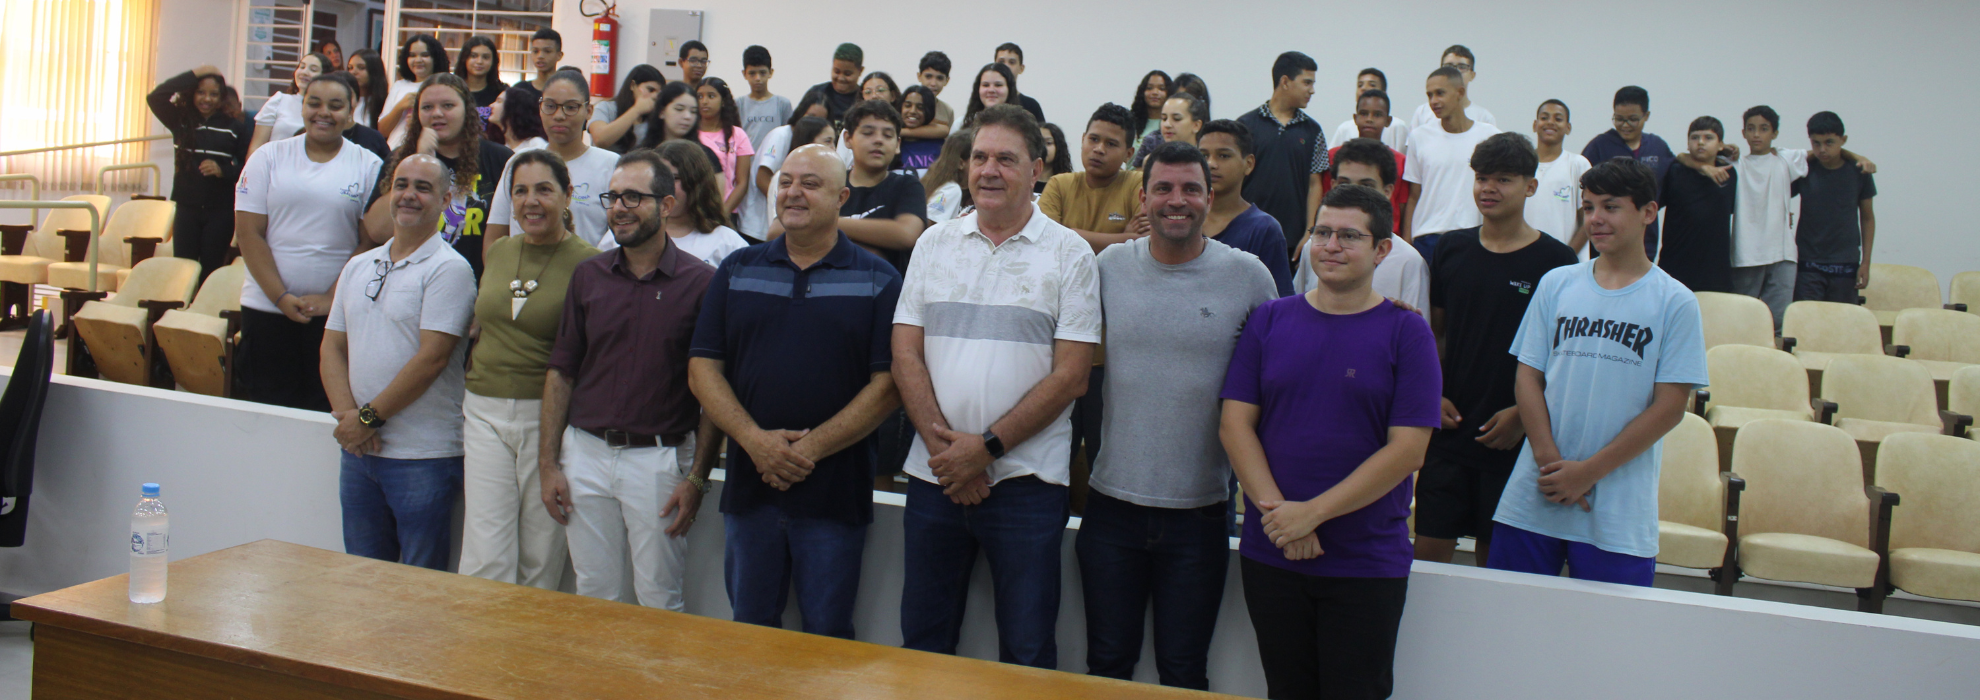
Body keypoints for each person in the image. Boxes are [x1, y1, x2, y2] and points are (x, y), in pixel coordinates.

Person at [892, 104, 1099, 669]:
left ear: (1037, 170)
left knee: (1027, 652)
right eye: (979, 157)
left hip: (1028, 485)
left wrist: (981, 450)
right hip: (934, 476)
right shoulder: (934, 244)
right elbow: (905, 351)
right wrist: (947, 453)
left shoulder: (1070, 253)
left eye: (1005, 159)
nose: (988, 170)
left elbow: (1072, 375)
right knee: (924, 644)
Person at [1220, 183, 1439, 700]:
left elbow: (1409, 450)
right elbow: (1234, 425)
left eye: (1349, 236)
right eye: (1322, 232)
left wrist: (1311, 514)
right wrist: (1282, 518)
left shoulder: (1408, 333)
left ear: (1383, 249)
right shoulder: (1270, 319)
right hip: (1274, 552)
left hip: (1364, 560)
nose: (1331, 245)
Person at [1082, 141, 1277, 690]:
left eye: (1191, 189)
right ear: (1142, 197)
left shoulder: (1249, 276)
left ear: (1209, 198)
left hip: (1202, 513)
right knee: (1107, 668)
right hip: (1110, 508)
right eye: (1163, 188)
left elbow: (1290, 360)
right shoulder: (1108, 268)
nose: (1177, 200)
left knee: (1185, 672)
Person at [687, 143, 902, 638]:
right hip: (749, 490)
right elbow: (702, 369)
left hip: (834, 498)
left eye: (810, 183)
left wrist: (807, 450)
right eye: (786, 181)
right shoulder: (737, 269)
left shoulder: (879, 280)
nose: (793, 192)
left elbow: (888, 386)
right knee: (750, 630)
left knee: (826, 636)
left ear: (842, 197)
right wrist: (756, 442)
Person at [1486, 157, 1708, 586]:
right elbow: (1527, 378)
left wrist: (1587, 473)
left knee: (1611, 642)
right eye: (1588, 208)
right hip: (1538, 492)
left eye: (1610, 207)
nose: (1596, 219)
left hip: (1617, 509)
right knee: (1510, 626)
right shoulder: (1557, 283)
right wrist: (1551, 464)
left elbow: (1670, 408)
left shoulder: (1675, 301)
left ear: (1648, 212)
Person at [541, 149, 722, 610]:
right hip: (585, 455)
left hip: (658, 462)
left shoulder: (702, 284)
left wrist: (698, 478)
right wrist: (549, 465)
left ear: (666, 205)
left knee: (659, 599)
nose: (619, 207)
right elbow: (561, 372)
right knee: (593, 594)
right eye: (613, 196)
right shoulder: (588, 276)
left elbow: (713, 392)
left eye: (633, 198)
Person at [1416, 133, 1579, 568]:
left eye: (1503, 179)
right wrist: (1433, 393)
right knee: (1428, 558)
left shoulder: (1557, 261)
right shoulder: (1451, 248)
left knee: (1497, 566)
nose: (1488, 188)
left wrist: (1524, 418)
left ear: (1530, 186)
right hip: (1449, 429)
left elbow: (1562, 359)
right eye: (1481, 178)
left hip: (1512, 436)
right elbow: (1436, 333)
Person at [321, 153, 476, 571]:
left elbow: (432, 359)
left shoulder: (450, 270)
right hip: (359, 453)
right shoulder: (358, 265)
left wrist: (368, 419)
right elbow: (332, 346)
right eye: (402, 184)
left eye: (423, 188)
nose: (409, 195)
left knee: (419, 589)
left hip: (422, 457)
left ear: (446, 201)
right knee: (363, 580)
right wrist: (349, 418)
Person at [462, 150, 600, 589]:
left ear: (567, 195)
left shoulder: (591, 265)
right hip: (482, 411)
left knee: (541, 555)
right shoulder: (500, 250)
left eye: (544, 189)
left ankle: (524, 656)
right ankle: (478, 651)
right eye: (520, 191)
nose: (530, 201)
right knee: (485, 551)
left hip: (546, 418)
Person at [233, 72, 382, 411]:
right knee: (266, 412)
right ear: (302, 106)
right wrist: (281, 297)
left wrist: (332, 299)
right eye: (314, 103)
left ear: (351, 111)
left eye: (335, 105)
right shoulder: (268, 158)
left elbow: (369, 242)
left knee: (324, 411)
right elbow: (249, 233)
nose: (323, 113)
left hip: (336, 316)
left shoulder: (369, 165)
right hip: (266, 309)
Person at [363, 73, 515, 280]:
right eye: (427, 107)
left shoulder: (500, 159)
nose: (436, 113)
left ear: (467, 111)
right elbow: (377, 231)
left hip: (478, 284)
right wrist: (421, 159)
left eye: (448, 106)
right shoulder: (400, 159)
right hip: (412, 283)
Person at [777, 100, 926, 273]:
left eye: (887, 135)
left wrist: (825, 224)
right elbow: (777, 230)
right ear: (848, 139)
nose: (878, 140)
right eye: (868, 133)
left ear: (898, 144)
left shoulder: (906, 185)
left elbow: (907, 234)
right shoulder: (829, 181)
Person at [487, 71, 623, 251]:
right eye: (550, 106)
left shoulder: (611, 165)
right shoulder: (519, 162)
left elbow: (620, 236)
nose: (559, 115)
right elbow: (494, 240)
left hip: (588, 276)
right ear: (540, 107)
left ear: (588, 111)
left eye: (571, 107)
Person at [1297, 138, 1431, 316]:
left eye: (1366, 186)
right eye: (1345, 184)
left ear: (1387, 191)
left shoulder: (1408, 261)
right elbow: (1298, 307)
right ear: (1333, 185)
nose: (1353, 194)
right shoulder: (1315, 248)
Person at [149, 64, 250, 283]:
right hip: (187, 207)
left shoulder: (235, 126)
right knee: (182, 270)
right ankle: (181, 313)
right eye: (201, 92)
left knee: (210, 270)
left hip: (220, 210)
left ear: (222, 97)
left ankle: (203, 314)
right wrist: (196, 73)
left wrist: (223, 170)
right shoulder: (181, 120)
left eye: (214, 94)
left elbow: (248, 167)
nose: (207, 99)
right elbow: (156, 97)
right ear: (192, 93)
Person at [1403, 66, 1500, 261]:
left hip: (1474, 236)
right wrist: (1407, 243)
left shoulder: (1489, 136)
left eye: (1440, 93)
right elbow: (1413, 196)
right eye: (1429, 95)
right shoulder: (1419, 137)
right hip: (1427, 238)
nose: (1433, 101)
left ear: (1460, 93)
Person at [1237, 52, 1327, 260]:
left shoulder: (1313, 130)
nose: (1312, 90)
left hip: (1293, 241)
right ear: (1285, 81)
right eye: (1307, 83)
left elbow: (1315, 185)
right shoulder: (1244, 126)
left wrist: (1310, 232)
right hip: (1248, 233)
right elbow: (1233, 179)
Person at [1199, 119, 1295, 296]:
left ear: (1248, 164)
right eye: (1203, 155)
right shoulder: (1185, 220)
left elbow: (1278, 302)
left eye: (1223, 155)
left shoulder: (1264, 229)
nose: (1211, 163)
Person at [1579, 86, 1674, 259]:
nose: (1625, 125)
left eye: (1632, 119)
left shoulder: (1657, 147)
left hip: (1646, 239)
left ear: (1646, 116)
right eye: (1619, 119)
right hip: (1606, 238)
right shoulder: (1599, 146)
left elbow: (1673, 183)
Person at [1793, 112, 1878, 301]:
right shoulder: (1803, 168)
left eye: (1829, 142)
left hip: (1845, 262)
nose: (1822, 149)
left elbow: (1867, 217)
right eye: (1816, 143)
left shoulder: (1859, 171)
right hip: (1808, 261)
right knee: (1806, 322)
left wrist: (1866, 262)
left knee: (1841, 324)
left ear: (1843, 140)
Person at [1043, 104, 1147, 253]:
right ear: (1083, 139)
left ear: (1128, 154)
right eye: (1093, 139)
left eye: (1111, 144)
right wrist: (1124, 238)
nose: (1099, 149)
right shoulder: (1059, 185)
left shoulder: (1138, 184)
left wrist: (1067, 233)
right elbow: (1046, 241)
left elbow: (1144, 244)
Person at [1657, 117, 1738, 293]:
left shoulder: (1730, 175)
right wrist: (1702, 167)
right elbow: (1678, 157)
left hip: (1715, 270)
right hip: (1676, 265)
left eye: (1708, 138)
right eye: (1695, 138)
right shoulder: (1674, 171)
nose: (1700, 142)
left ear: (1720, 144)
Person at [744, 88, 829, 241]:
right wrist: (788, 207)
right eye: (810, 117)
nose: (814, 123)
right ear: (800, 113)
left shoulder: (815, 148)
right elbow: (762, 178)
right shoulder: (782, 134)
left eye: (821, 120)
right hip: (759, 224)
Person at [1318, 90, 1408, 232]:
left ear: (1388, 120)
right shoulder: (1334, 157)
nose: (1369, 119)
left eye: (1377, 114)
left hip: (1384, 233)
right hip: (1339, 229)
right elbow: (1323, 199)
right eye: (1364, 113)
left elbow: (1402, 208)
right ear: (1355, 117)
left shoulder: (1400, 162)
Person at [656, 141, 750, 268]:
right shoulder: (634, 235)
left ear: (697, 183)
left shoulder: (728, 243)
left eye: (674, 178)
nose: (664, 187)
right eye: (658, 179)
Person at [1528, 99, 1591, 256]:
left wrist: (1567, 255)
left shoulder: (1578, 165)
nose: (1550, 123)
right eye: (1544, 118)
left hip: (1567, 264)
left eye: (1558, 119)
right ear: (1535, 125)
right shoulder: (1520, 164)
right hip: (1523, 260)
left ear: (1568, 128)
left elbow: (1588, 219)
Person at [249, 51, 331, 156]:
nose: (304, 72)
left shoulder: (326, 110)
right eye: (302, 67)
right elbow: (256, 148)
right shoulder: (279, 100)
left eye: (313, 69)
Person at [695, 77, 754, 214]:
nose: (704, 101)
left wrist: (723, 213)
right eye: (699, 96)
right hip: (693, 213)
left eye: (711, 96)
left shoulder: (738, 135)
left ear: (723, 101)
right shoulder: (689, 134)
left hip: (727, 212)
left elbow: (742, 183)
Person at [379, 34, 447, 150]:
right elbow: (382, 131)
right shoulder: (399, 86)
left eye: (425, 55)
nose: (418, 60)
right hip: (394, 151)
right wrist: (400, 107)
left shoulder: (445, 86)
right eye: (412, 55)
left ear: (435, 58)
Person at [1407, 45, 1496, 134]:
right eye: (1448, 66)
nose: (1455, 71)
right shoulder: (1423, 112)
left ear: (1472, 75)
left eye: (1462, 67)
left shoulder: (1484, 118)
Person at [589, 65, 667, 153]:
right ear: (633, 85)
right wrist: (636, 110)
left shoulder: (655, 117)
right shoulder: (605, 107)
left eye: (659, 94)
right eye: (650, 90)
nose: (654, 97)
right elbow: (600, 140)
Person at [1331, 68, 1404, 152]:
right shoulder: (1344, 128)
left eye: (1372, 85)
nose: (1364, 88)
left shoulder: (1397, 126)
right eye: (1360, 85)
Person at [739, 46, 793, 158]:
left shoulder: (782, 104)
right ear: (744, 74)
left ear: (770, 72)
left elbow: (789, 138)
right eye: (752, 73)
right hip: (746, 165)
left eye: (762, 73)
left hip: (774, 163)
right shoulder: (738, 104)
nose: (758, 78)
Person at [1130, 91, 1206, 170]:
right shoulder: (1152, 157)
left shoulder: (1206, 158)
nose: (1167, 124)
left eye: (1177, 119)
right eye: (1164, 118)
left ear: (1196, 125)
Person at [921, 126, 975, 224]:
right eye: (977, 158)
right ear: (961, 163)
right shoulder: (951, 189)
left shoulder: (936, 181)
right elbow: (930, 225)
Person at [456, 35, 508, 135]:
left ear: (493, 61)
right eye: (474, 56)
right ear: (464, 59)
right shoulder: (452, 90)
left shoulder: (502, 93)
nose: (479, 61)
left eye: (486, 57)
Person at [962, 63, 1042, 126]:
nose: (991, 90)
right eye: (986, 85)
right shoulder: (961, 124)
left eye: (998, 85)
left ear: (1009, 89)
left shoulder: (1024, 124)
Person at [807, 43, 863, 126]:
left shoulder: (864, 98)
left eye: (847, 74)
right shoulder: (817, 92)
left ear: (860, 71)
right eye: (836, 72)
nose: (841, 78)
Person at [906, 52, 956, 142]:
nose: (933, 83)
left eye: (939, 78)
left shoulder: (947, 111)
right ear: (919, 76)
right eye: (928, 76)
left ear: (947, 81)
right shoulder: (906, 104)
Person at [992, 43, 1046, 121]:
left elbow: (1042, 132)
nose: (1006, 66)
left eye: (1012, 62)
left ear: (1021, 68)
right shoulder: (988, 100)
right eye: (1001, 62)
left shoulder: (1031, 105)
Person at [897, 85, 943, 176]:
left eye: (920, 107)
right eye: (908, 105)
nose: (913, 111)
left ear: (929, 111)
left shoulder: (941, 146)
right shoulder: (892, 142)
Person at [489, 86, 547, 152]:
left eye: (499, 101)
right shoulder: (498, 147)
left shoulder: (536, 145)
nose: (491, 105)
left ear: (513, 108)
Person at [517, 29, 565, 99]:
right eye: (536, 51)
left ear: (559, 55)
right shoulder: (520, 90)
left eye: (547, 51)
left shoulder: (566, 91)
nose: (540, 56)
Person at [347, 49, 388, 129]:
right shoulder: (345, 100)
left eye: (361, 68)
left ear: (374, 71)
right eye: (350, 68)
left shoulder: (384, 102)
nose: (353, 72)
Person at [1130, 70, 1172, 140]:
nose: (1155, 92)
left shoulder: (1172, 124)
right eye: (1149, 88)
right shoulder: (1130, 122)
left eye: (1161, 89)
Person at [1037, 123, 1074, 194]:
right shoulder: (1026, 182)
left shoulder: (1067, 183)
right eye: (1039, 142)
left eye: (1048, 143)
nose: (1043, 148)